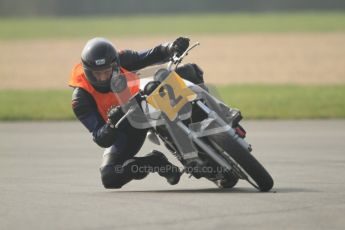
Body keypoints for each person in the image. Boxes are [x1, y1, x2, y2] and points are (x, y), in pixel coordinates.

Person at [68, 37, 205, 189]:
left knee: (188, 71)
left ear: (115, 65)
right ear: (87, 71)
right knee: (110, 177)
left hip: (147, 99)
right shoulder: (81, 99)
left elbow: (152, 55)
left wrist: (171, 47)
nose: (102, 78)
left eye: (106, 72)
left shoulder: (121, 59)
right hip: (126, 126)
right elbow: (101, 138)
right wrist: (112, 123)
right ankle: (154, 162)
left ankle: (218, 114)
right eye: (96, 74)